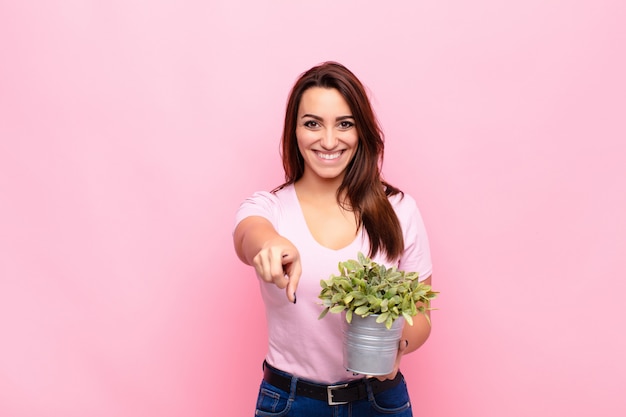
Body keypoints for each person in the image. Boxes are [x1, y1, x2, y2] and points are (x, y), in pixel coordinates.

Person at [233, 61, 433, 417]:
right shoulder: (271, 208)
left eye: (344, 124)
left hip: (380, 401)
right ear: (294, 131)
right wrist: (269, 246)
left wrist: (394, 345)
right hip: (291, 403)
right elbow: (249, 234)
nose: (328, 140)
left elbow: (421, 314)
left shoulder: (399, 209)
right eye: (312, 124)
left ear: (361, 131)